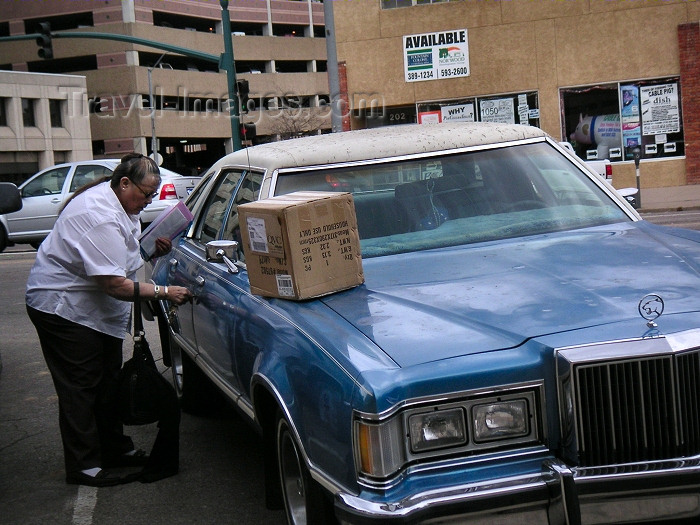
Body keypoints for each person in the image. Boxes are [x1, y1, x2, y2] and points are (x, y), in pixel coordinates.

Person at [25, 153, 193, 487]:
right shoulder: (97, 214)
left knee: (107, 383)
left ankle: (113, 449)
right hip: (64, 309)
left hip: (93, 309)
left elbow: (121, 255)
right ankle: (84, 466)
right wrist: (164, 291)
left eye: (152, 196)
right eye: (143, 194)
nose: (146, 202)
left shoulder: (121, 203)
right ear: (125, 183)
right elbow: (114, 284)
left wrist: (150, 250)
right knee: (81, 388)